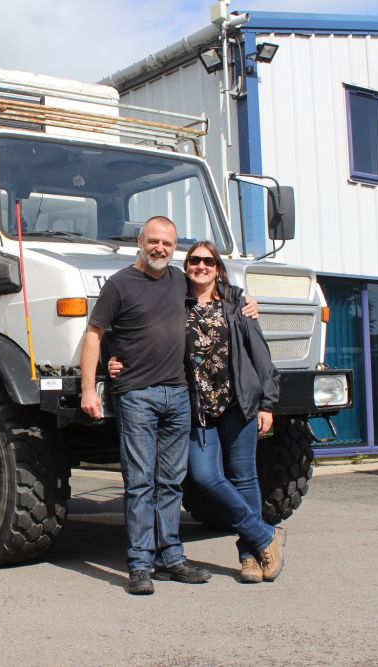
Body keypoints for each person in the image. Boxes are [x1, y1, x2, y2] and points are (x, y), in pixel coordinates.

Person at [110, 240, 285, 583]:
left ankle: (250, 556)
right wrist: (114, 357)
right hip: (197, 409)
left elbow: (260, 354)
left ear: (218, 268)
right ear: (186, 266)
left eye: (208, 261)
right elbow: (137, 328)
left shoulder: (236, 303)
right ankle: (265, 534)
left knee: (244, 477)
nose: (201, 266)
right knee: (204, 476)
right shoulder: (175, 300)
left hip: (237, 404)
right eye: (194, 260)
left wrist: (268, 403)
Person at [80, 215, 210, 595]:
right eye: (154, 241)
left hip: (178, 394)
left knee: (170, 483)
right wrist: (89, 389)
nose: (160, 248)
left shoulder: (179, 281)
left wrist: (246, 302)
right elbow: (94, 335)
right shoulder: (119, 284)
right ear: (140, 242)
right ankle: (140, 565)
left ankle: (171, 558)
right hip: (136, 395)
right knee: (139, 483)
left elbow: (214, 291)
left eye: (167, 243)